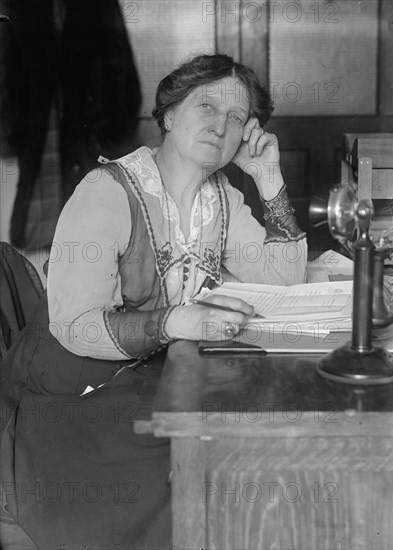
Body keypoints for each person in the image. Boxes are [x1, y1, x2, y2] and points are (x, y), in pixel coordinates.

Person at [0, 54, 307, 550]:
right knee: (180, 462)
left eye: (235, 118)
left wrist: (268, 179)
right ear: (168, 114)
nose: (220, 125)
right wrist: (176, 321)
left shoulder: (222, 198)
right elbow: (76, 326)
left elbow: (286, 277)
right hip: (80, 373)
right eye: (205, 105)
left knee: (229, 440)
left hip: (159, 367)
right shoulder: (108, 190)